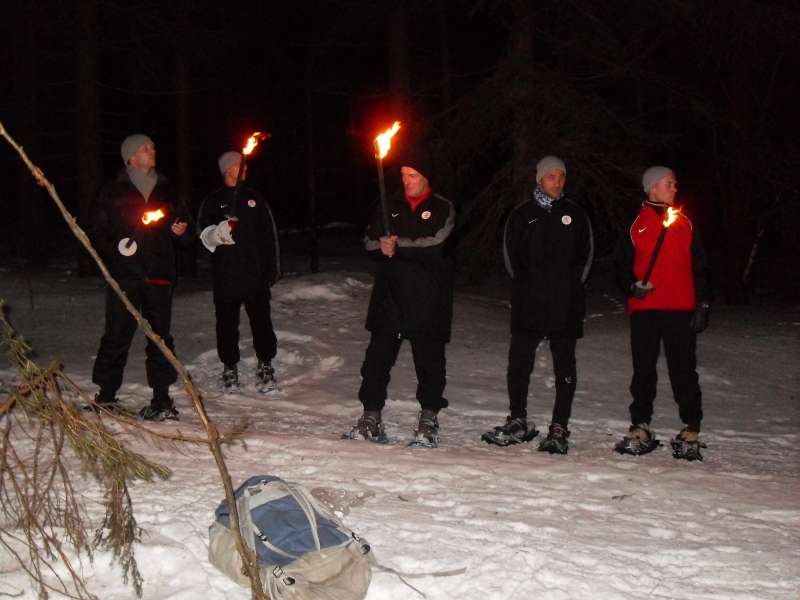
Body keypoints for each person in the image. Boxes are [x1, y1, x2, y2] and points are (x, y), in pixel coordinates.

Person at [482, 156, 593, 454]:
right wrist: (525, 287)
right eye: (551, 177)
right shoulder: (522, 214)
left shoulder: (575, 215)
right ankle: (518, 419)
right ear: (539, 179)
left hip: (564, 303)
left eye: (561, 177)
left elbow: (586, 258)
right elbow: (510, 258)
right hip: (528, 302)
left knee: (564, 364)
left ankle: (559, 427)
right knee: (519, 362)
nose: (557, 182)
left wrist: (570, 288)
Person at [346, 145, 455, 448]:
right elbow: (368, 241)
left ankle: (429, 419)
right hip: (389, 299)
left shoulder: (442, 207)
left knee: (430, 363)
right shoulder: (387, 204)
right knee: (376, 361)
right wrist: (381, 245)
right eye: (404, 175)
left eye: (413, 175)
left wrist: (399, 247)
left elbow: (437, 246)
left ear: (426, 178)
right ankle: (370, 416)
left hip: (428, 300)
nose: (407, 181)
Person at [91, 133, 193, 421]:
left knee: (160, 339)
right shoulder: (112, 191)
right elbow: (97, 232)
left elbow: (186, 231)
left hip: (159, 275)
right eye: (145, 148)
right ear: (131, 157)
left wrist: (181, 232)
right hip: (124, 277)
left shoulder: (168, 191)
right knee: (116, 336)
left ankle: (161, 400)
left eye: (153, 145)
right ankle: (106, 396)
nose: (152, 150)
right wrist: (116, 247)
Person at [614, 166, 711, 461]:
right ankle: (640, 426)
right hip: (645, 310)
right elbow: (620, 267)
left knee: (684, 371)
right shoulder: (636, 224)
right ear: (653, 187)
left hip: (680, 309)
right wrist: (632, 287)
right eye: (669, 184)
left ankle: (691, 429)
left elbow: (702, 268)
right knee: (643, 370)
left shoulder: (686, 224)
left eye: (674, 183)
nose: (674, 189)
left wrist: (703, 304)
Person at [197, 151, 280, 391]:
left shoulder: (255, 199)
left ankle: (265, 363)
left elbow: (269, 235)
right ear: (227, 169)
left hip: (255, 275)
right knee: (226, 323)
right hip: (226, 276)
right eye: (238, 165)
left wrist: (272, 269)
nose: (244, 168)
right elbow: (203, 236)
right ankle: (229, 366)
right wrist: (218, 235)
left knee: (262, 321)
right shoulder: (213, 201)